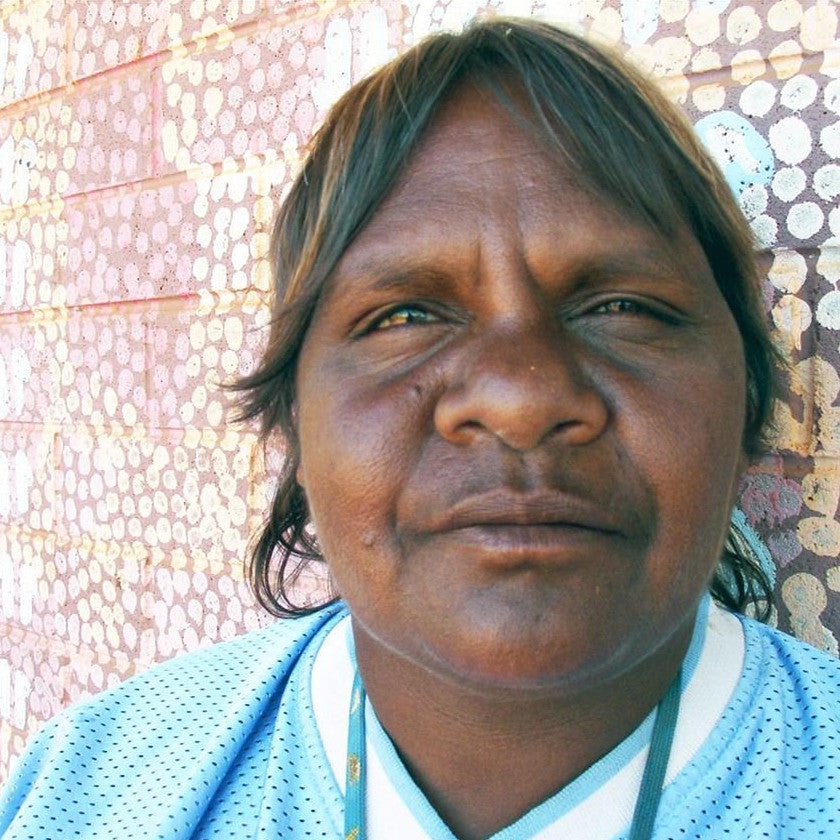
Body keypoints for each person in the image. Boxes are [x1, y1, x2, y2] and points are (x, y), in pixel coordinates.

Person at [2, 17, 838, 840]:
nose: (517, 399)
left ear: (752, 409)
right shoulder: (94, 786)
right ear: (293, 426)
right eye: (405, 314)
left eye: (623, 307)